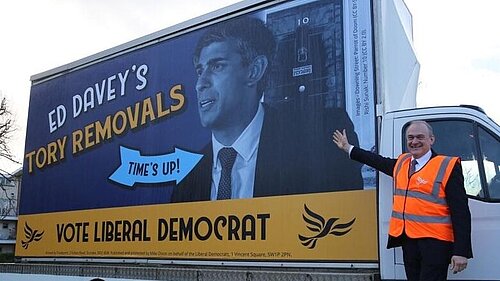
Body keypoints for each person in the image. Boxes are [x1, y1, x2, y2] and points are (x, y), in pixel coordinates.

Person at [171, 16, 362, 202]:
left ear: (254, 70)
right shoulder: (186, 187)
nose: (200, 84)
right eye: (199, 71)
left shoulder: (324, 139)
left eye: (217, 66)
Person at [332, 121, 472, 281]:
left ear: (431, 139)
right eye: (410, 138)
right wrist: (348, 148)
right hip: (409, 242)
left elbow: (460, 212)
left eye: (420, 137)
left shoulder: (447, 166)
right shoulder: (402, 163)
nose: (414, 141)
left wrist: (461, 251)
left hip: (435, 245)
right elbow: (376, 161)